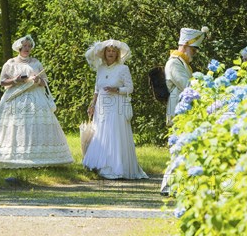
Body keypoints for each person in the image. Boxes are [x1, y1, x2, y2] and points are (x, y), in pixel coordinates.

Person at [0, 35, 73, 168]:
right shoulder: (10, 63)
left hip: (36, 99)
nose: (27, 48)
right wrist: (16, 80)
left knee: (34, 125)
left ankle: (39, 158)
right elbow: (2, 82)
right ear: (19, 47)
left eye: (29, 46)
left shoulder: (36, 63)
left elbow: (45, 82)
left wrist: (37, 80)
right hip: (14, 98)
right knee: (15, 125)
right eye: (25, 46)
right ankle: (10, 157)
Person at [82, 39, 148, 180]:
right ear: (104, 53)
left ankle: (115, 167)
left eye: (113, 51)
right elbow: (97, 88)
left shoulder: (123, 69)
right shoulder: (100, 68)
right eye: (108, 51)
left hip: (117, 105)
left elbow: (130, 88)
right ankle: (101, 165)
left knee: (113, 133)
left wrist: (116, 89)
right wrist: (92, 104)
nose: (110, 53)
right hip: (101, 106)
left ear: (117, 53)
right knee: (101, 132)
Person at [160, 26, 209, 195]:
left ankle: (178, 185)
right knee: (178, 148)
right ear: (186, 45)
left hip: (185, 109)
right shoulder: (174, 62)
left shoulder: (183, 63)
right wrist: (205, 84)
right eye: (194, 49)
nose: (195, 52)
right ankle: (168, 186)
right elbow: (186, 85)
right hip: (177, 110)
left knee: (185, 148)